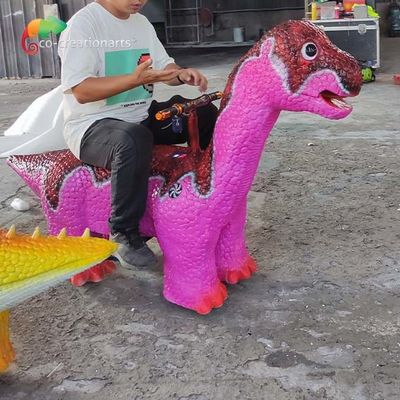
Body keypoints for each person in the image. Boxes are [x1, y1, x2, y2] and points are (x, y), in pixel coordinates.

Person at [58, 0, 218, 269]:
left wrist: (180, 74)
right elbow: (82, 91)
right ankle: (124, 233)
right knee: (133, 139)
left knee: (202, 112)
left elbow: (165, 69)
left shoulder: (141, 23)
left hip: (141, 116)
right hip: (92, 126)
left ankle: (205, 193)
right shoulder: (83, 25)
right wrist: (133, 81)